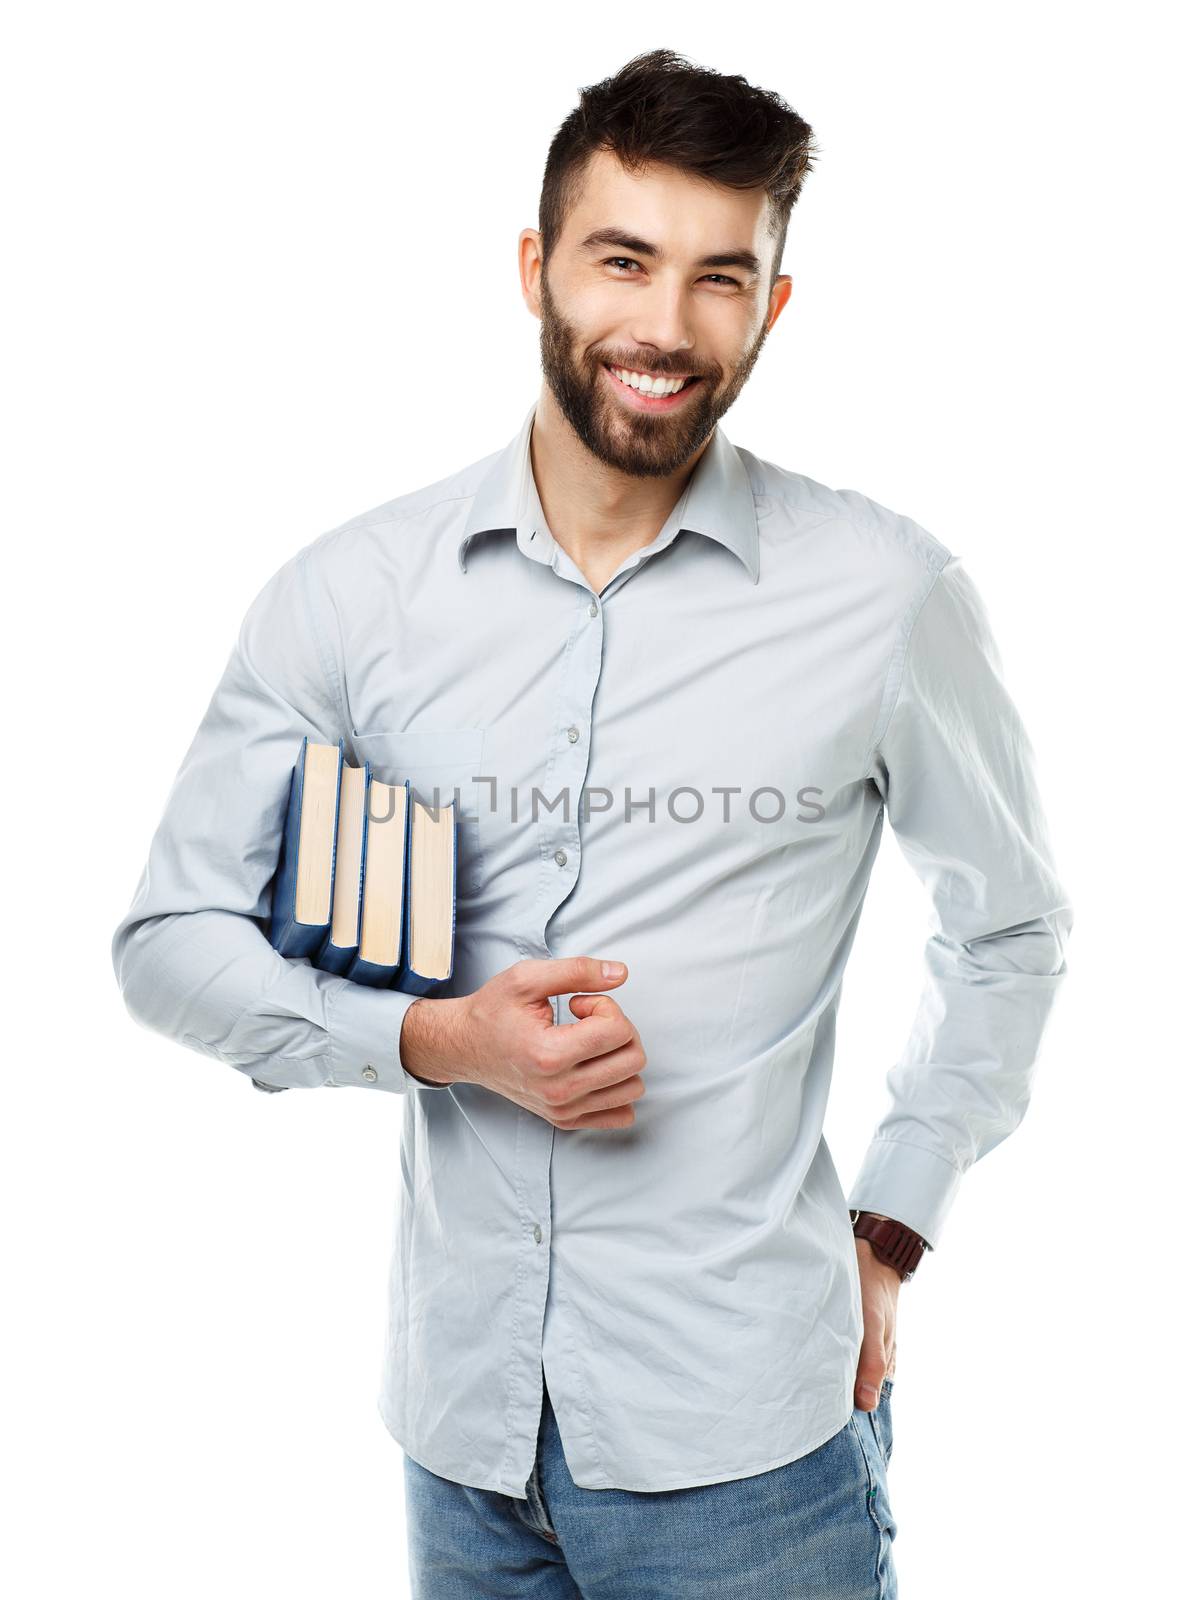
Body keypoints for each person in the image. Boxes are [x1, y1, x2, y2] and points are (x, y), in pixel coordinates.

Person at [111, 47, 1073, 1599]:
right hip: (460, 1444)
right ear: (534, 269)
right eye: (622, 260)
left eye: (719, 276)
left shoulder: (885, 595)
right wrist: (442, 1042)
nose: (665, 327)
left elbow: (1010, 925)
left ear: (770, 305)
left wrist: (891, 1225)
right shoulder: (355, 595)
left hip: (750, 1456)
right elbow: (170, 942)